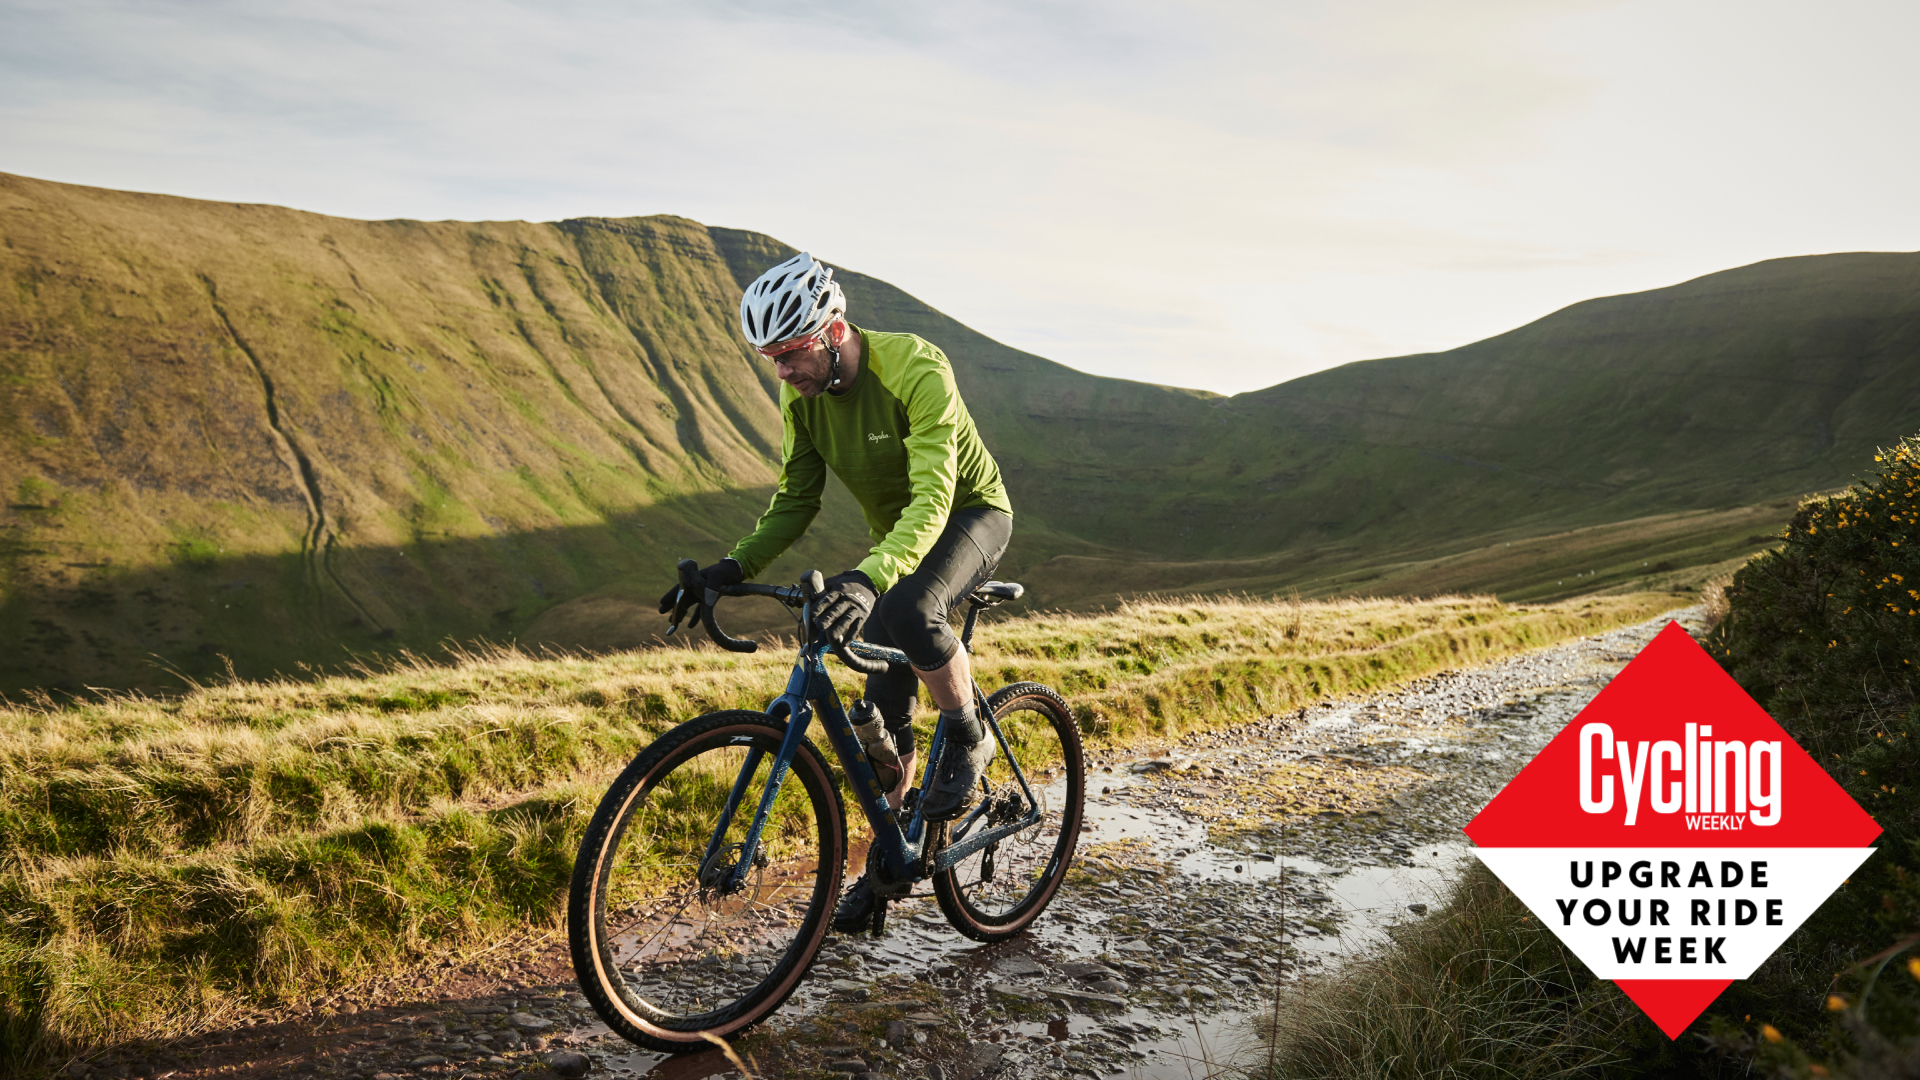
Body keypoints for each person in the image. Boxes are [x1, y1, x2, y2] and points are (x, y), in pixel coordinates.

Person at [659, 251, 1014, 932]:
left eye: (790, 354)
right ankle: (893, 862)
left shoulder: (915, 367)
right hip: (900, 537)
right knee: (879, 718)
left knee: (911, 609)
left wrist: (870, 576)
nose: (783, 372)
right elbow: (795, 499)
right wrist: (730, 569)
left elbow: (936, 494)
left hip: (969, 515)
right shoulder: (804, 398)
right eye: (771, 359)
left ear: (833, 331)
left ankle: (971, 737)